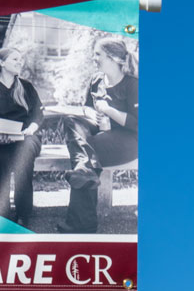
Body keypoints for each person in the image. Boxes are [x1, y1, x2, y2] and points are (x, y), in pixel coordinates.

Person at [59, 36, 138, 233]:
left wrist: (109, 111)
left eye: (98, 54)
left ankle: (82, 223)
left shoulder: (133, 84)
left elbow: (139, 124)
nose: (94, 58)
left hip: (128, 139)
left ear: (112, 58)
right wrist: (92, 113)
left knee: (86, 154)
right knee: (71, 121)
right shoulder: (96, 80)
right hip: (100, 130)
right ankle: (84, 172)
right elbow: (86, 108)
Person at [0, 47, 43, 225]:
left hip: (27, 136)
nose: (20, 62)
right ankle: (2, 212)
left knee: (24, 157)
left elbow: (38, 115)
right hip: (0, 136)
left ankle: (23, 213)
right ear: (1, 62)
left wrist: (31, 129)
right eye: (15, 59)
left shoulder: (26, 87)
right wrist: (0, 134)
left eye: (20, 59)